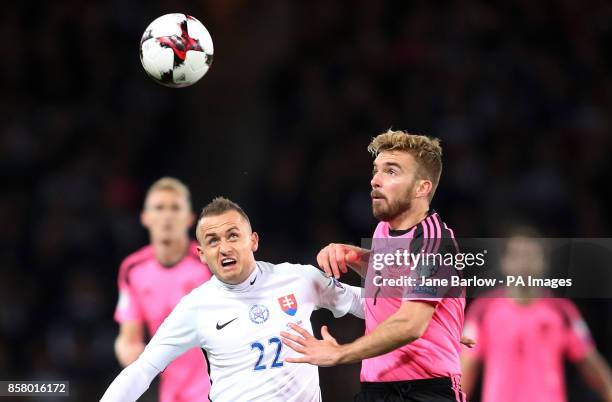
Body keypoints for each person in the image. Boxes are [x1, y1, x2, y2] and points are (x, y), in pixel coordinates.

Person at [101, 197, 365, 402]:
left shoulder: (299, 279)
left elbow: (366, 303)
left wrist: (362, 257)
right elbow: (143, 369)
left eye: (233, 235)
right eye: (213, 241)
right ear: (202, 255)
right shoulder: (195, 307)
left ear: (253, 241)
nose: (224, 248)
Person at [280, 130, 468, 402]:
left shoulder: (435, 244)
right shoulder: (384, 229)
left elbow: (410, 324)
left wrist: (340, 353)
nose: (375, 180)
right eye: (376, 170)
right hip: (376, 389)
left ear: (422, 188)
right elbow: (393, 277)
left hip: (425, 391)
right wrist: (355, 256)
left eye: (391, 172)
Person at [461, 228, 612, 402]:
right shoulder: (482, 311)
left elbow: (598, 373)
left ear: (544, 262)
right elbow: (462, 379)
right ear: (504, 262)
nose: (524, 263)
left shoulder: (563, 311)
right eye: (517, 255)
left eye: (531, 255)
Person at [113, 177, 213, 402]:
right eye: (159, 208)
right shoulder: (133, 269)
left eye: (175, 208)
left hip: (215, 388)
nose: (167, 215)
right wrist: (126, 350)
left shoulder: (209, 263)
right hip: (170, 392)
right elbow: (128, 338)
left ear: (189, 219)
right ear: (145, 218)